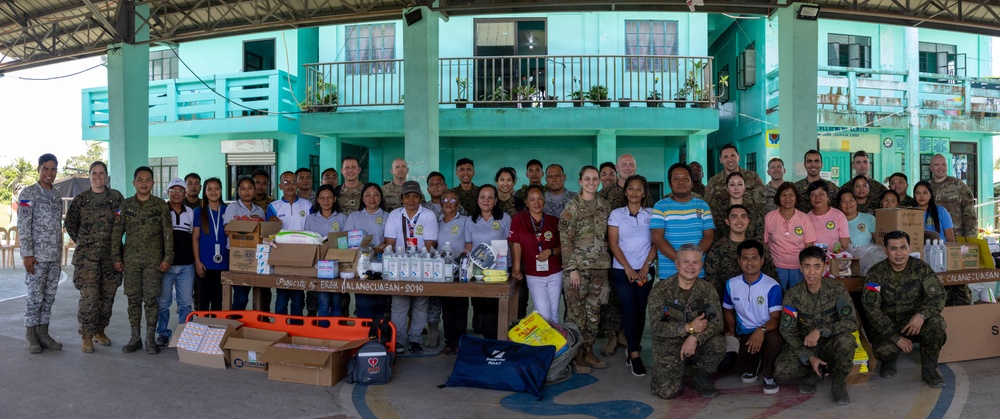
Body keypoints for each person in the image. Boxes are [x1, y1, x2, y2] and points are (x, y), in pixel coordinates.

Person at [863, 230, 947, 388]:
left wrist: (922, 315)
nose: (899, 253)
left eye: (903, 247)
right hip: (888, 326)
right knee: (883, 350)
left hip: (914, 324)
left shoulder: (921, 269)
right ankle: (889, 360)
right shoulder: (875, 274)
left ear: (909, 248)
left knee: (936, 324)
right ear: (886, 250)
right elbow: (871, 309)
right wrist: (895, 337)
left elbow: (938, 297)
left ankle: (930, 368)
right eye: (893, 248)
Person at [775, 246, 857, 405]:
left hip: (831, 343)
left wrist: (822, 330)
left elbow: (851, 322)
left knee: (846, 342)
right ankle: (813, 369)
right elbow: (787, 330)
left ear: (825, 267)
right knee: (782, 370)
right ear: (800, 268)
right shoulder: (793, 295)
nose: (811, 272)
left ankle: (839, 383)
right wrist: (808, 357)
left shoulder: (837, 290)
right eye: (807, 266)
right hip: (807, 345)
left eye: (817, 266)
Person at [647, 244, 725, 399]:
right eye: (686, 262)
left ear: (701, 265)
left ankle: (701, 375)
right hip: (668, 343)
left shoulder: (708, 289)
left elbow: (717, 323)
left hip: (697, 342)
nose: (691, 267)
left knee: (719, 342)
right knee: (667, 392)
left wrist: (694, 336)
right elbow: (657, 326)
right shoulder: (661, 290)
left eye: (696, 262)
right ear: (676, 264)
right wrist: (688, 327)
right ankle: (671, 369)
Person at [112, 166, 173, 354]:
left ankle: (150, 339)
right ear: (134, 183)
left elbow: (167, 233)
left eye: (148, 180)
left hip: (154, 261)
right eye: (140, 179)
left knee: (151, 299)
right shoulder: (125, 205)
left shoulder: (161, 205)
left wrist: (168, 257)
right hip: (131, 261)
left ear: (153, 183)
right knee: (133, 299)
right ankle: (135, 337)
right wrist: (116, 256)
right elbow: (117, 233)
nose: (144, 183)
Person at [66, 161, 124, 353]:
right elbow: (71, 225)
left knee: (107, 298)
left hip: (111, 258)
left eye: (101, 173)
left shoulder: (116, 198)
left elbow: (122, 224)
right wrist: (87, 243)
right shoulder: (81, 200)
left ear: (106, 176)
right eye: (94, 173)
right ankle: (86, 336)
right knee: (89, 298)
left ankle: (100, 330)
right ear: (90, 176)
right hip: (87, 260)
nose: (98, 177)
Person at [559, 165, 612, 373]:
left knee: (594, 313)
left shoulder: (604, 206)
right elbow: (565, 239)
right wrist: (571, 268)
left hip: (599, 269)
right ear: (580, 182)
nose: (592, 182)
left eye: (595, 178)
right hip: (577, 270)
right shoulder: (571, 207)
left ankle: (588, 351)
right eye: (587, 179)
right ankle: (576, 355)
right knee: (575, 315)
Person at [606, 175, 657, 376]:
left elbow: (656, 243)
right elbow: (613, 243)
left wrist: (646, 266)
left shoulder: (652, 214)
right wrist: (627, 267)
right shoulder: (617, 214)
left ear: (644, 193)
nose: (634, 192)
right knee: (628, 309)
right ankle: (634, 353)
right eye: (631, 188)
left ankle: (633, 344)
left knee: (640, 308)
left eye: (639, 189)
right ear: (625, 191)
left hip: (646, 269)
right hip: (622, 270)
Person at [722, 240, 784, 395]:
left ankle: (768, 374)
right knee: (726, 363)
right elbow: (728, 310)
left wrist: (761, 330)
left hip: (767, 332)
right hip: (744, 334)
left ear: (762, 261)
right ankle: (752, 364)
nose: (750, 262)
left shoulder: (772, 286)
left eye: (754, 258)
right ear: (739, 261)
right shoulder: (731, 284)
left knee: (775, 339)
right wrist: (730, 330)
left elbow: (776, 318)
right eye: (745, 258)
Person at [19, 153, 65, 354]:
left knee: (49, 297)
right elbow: (23, 225)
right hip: (36, 258)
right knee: (34, 297)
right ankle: (31, 335)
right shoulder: (27, 194)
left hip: (53, 257)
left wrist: (59, 255)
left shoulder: (57, 196)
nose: (49, 173)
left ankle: (43, 334)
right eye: (45, 168)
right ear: (38, 169)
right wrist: (27, 253)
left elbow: (57, 227)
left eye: (53, 169)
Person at [385, 181, 438, 354]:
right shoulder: (394, 215)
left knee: (420, 304)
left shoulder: (428, 215)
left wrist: (416, 259)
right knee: (399, 304)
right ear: (402, 198)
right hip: (399, 266)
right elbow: (390, 243)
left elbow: (430, 245)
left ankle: (415, 339)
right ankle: (399, 340)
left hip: (422, 265)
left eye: (415, 196)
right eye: (407, 196)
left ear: (420, 198)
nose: (411, 200)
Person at [464, 184, 512, 341]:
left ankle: (499, 341)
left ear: (496, 200)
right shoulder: (470, 221)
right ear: (477, 200)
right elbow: (468, 247)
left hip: (500, 271)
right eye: (482, 197)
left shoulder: (504, 218)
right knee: (482, 307)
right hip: (478, 271)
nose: (486, 200)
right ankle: (488, 341)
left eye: (490, 197)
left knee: (498, 307)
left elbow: (511, 244)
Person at [651, 163, 715, 280]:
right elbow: (657, 238)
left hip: (696, 273)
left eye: (685, 178)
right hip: (669, 275)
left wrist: (692, 261)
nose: (681, 182)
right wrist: (680, 260)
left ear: (691, 183)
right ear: (670, 183)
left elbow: (709, 236)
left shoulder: (703, 205)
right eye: (676, 179)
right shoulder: (660, 206)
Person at [510, 185, 563, 324]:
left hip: (554, 272)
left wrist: (550, 251)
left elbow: (562, 248)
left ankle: (554, 345)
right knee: (544, 314)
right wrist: (516, 269)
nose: (536, 202)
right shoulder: (518, 219)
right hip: (534, 273)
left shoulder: (553, 221)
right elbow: (516, 245)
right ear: (526, 202)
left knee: (554, 314)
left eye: (539, 198)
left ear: (544, 200)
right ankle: (542, 339)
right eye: (532, 199)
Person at [154, 178, 196, 350]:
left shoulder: (190, 213)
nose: (177, 193)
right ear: (167, 193)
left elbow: (192, 236)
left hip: (186, 266)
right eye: (173, 190)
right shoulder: (161, 211)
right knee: (163, 303)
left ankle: (184, 334)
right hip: (166, 266)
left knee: (185, 303)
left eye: (180, 190)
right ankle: (163, 334)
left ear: (184, 193)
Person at [705, 205, 778, 299]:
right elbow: (712, 280)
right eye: (734, 216)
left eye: (743, 216)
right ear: (727, 222)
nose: (739, 220)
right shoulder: (717, 248)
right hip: (727, 300)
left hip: (758, 298)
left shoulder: (758, 246)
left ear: (748, 221)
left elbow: (771, 274)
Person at [266, 171, 311, 315]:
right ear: (280, 186)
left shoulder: (307, 205)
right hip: (281, 256)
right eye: (286, 182)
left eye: (293, 182)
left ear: (297, 184)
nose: (290, 185)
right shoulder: (273, 207)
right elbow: (268, 234)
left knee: (298, 297)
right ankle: (280, 328)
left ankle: (296, 329)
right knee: (282, 296)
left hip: (302, 256)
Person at [345, 183, 391, 319]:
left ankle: (377, 336)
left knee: (380, 303)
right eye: (368, 195)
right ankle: (364, 337)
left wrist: (380, 249)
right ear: (363, 199)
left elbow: (390, 241)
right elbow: (348, 242)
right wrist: (372, 249)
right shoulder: (354, 216)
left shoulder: (387, 216)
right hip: (361, 266)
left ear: (381, 198)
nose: (372, 198)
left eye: (376, 194)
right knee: (364, 303)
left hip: (381, 265)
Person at [223, 176, 265, 310]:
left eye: (250, 188)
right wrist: (248, 222)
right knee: (241, 296)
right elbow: (227, 231)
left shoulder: (259, 210)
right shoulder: (232, 207)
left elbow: (260, 234)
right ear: (238, 192)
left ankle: (251, 324)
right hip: (236, 253)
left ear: (254, 190)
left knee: (257, 293)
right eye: (243, 188)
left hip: (256, 254)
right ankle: (235, 323)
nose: (246, 192)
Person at [764, 182, 816, 290]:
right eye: (784, 195)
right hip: (776, 267)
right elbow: (765, 243)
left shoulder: (804, 218)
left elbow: (809, 245)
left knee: (796, 300)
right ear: (778, 197)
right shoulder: (769, 217)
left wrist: (805, 266)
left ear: (796, 198)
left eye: (791, 195)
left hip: (798, 268)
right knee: (777, 299)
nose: (787, 198)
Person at [304, 185, 347, 316]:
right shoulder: (311, 218)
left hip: (338, 265)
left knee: (336, 301)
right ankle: (324, 333)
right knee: (323, 301)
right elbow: (308, 242)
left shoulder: (341, 218)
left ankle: (335, 333)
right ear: (317, 200)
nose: (326, 200)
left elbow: (346, 242)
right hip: (318, 266)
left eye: (329, 197)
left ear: (335, 199)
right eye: (322, 197)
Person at [436, 190, 467, 356]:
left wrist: (459, 256)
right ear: (440, 205)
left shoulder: (465, 221)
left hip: (460, 270)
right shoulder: (437, 222)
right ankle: (450, 343)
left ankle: (461, 344)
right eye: (445, 200)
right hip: (443, 271)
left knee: (460, 309)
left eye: (452, 200)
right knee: (446, 310)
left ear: (458, 204)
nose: (448, 203)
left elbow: (469, 244)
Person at [192, 178, 227, 316]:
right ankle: (202, 330)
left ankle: (216, 333)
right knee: (204, 300)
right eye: (210, 189)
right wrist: (197, 262)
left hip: (224, 263)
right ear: (205, 192)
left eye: (217, 188)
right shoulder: (198, 211)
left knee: (218, 300)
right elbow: (195, 238)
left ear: (221, 191)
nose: (213, 192)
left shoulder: (228, 210)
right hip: (204, 264)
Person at [929, 154, 977, 238]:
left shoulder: (959, 185)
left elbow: (970, 215)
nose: (940, 167)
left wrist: (970, 239)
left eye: (943, 164)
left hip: (955, 237)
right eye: (936, 165)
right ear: (931, 168)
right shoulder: (926, 187)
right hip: (932, 237)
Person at [704, 144, 765, 208]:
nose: (730, 159)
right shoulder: (714, 181)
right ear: (720, 160)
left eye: (732, 155)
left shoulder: (753, 177)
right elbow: (707, 206)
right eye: (726, 157)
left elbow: (761, 204)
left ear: (738, 157)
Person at [710, 171, 764, 242]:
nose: (736, 188)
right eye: (732, 185)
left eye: (740, 184)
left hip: (749, 249)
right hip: (725, 250)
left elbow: (760, 234)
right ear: (727, 188)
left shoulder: (754, 210)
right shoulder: (718, 211)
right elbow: (715, 235)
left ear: (744, 187)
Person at [806, 181, 851, 252]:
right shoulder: (806, 218)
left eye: (821, 194)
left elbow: (845, 243)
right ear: (809, 199)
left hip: (835, 258)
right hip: (815, 260)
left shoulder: (838, 215)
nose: (817, 197)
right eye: (813, 195)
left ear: (828, 197)